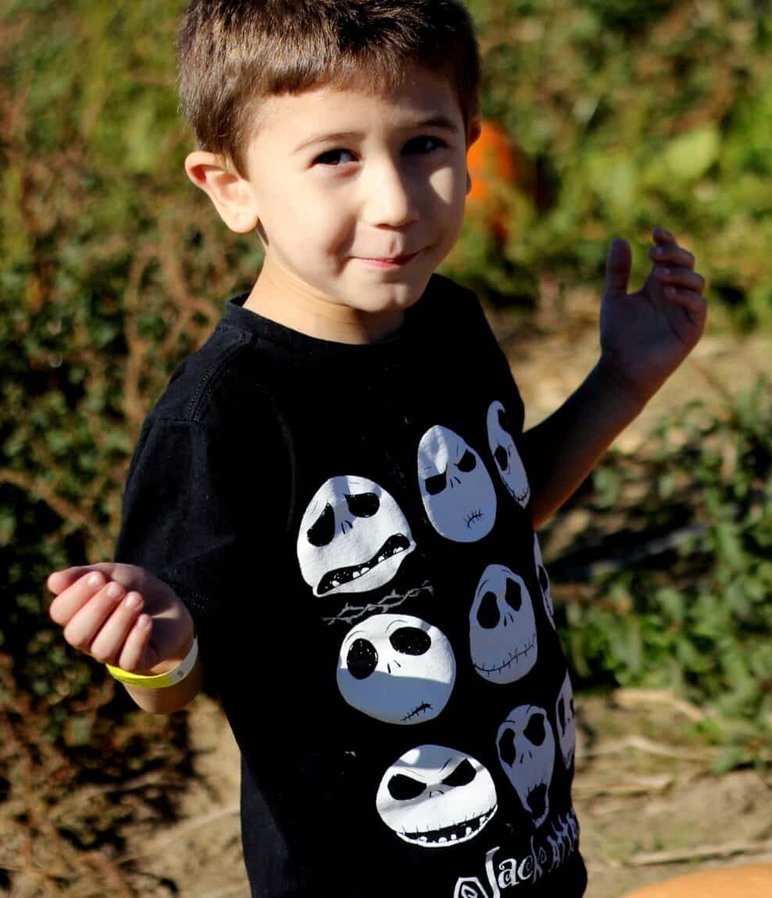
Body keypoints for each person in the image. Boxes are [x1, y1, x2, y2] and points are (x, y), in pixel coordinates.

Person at [43, 1, 707, 894]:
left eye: (425, 144)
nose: (395, 203)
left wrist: (622, 380)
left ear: (471, 144)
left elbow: (499, 509)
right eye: (335, 158)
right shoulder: (226, 415)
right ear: (231, 187)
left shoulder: (451, 323)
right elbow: (168, 685)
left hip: (527, 850)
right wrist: (151, 649)